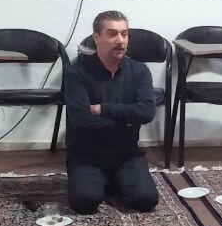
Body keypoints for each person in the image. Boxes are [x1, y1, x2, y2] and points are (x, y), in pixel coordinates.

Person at [64, 11, 160, 215]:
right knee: (85, 201)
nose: (120, 40)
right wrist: (128, 121)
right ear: (96, 37)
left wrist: (103, 109)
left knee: (146, 200)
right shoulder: (77, 72)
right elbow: (81, 120)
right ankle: (102, 182)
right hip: (87, 154)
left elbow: (147, 112)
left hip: (126, 153)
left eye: (124, 34)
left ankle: (113, 181)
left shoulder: (140, 71)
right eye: (112, 34)